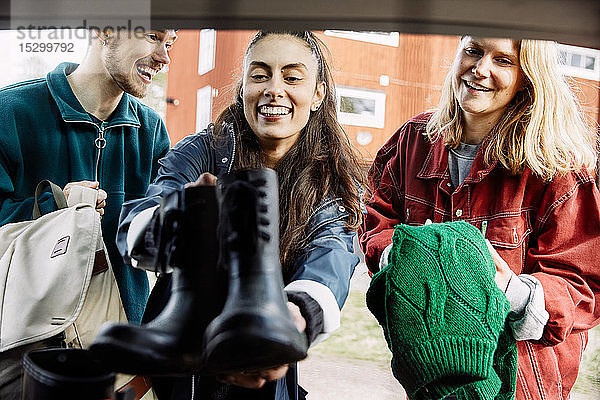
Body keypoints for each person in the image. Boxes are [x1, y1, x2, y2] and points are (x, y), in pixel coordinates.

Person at [117, 30, 365, 400]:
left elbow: (331, 254)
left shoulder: (327, 184)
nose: (274, 89)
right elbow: (141, 219)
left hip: (263, 369)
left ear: (317, 94)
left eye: (292, 77)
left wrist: (292, 318)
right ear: (243, 87)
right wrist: (178, 215)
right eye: (260, 75)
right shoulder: (202, 151)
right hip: (177, 369)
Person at [360, 36, 600, 399]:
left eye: (503, 60)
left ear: (528, 76)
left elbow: (586, 285)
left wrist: (510, 289)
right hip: (434, 376)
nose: (481, 68)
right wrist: (403, 257)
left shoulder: (556, 166)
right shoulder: (413, 141)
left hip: (522, 385)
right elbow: (377, 218)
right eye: (473, 51)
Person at [0, 28, 176, 399]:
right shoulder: (11, 112)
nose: (164, 57)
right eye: (152, 36)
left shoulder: (152, 131)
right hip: (23, 350)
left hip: (121, 354)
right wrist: (59, 207)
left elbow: (155, 245)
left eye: (170, 43)